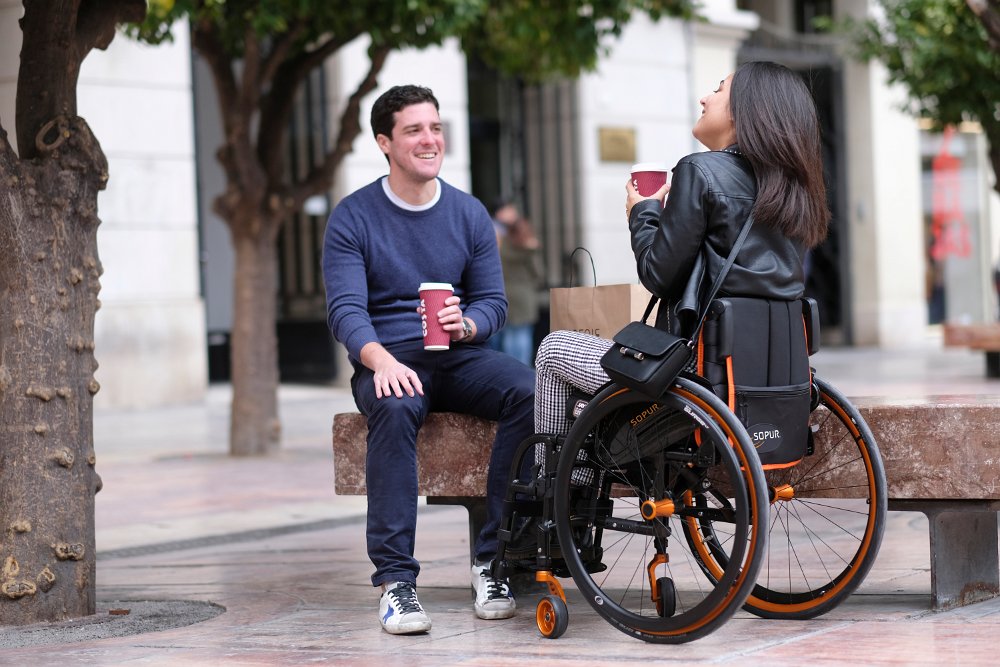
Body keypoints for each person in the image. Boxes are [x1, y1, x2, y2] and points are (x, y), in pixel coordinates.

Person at [322, 85, 535, 635]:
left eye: (435, 128)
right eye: (414, 129)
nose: (429, 139)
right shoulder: (353, 216)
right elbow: (345, 311)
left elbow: (494, 302)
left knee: (531, 391)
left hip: (458, 355)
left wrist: (468, 324)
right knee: (395, 406)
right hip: (388, 359)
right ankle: (396, 582)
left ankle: (493, 561)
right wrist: (379, 362)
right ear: (384, 142)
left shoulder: (468, 212)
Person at [532, 61, 829, 436]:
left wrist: (642, 213)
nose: (705, 98)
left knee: (554, 349)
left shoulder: (700, 170)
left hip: (694, 377)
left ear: (744, 110)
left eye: (718, 90)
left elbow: (658, 275)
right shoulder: (794, 189)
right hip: (774, 379)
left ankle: (552, 472)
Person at [490, 199, 542, 366]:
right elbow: (538, 272)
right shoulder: (528, 247)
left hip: (505, 291)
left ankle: (510, 369)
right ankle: (522, 369)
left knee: (508, 334)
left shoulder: (500, 243)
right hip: (524, 294)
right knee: (522, 335)